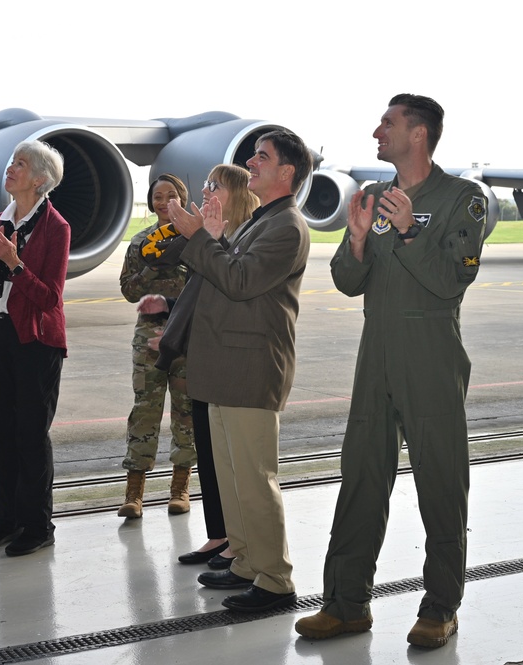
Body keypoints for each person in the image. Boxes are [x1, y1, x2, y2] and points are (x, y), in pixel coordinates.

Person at [294, 94, 486, 648]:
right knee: (361, 478)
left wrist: (408, 233)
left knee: (441, 484)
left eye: (389, 123)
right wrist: (356, 240)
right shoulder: (373, 197)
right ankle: (345, 603)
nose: (377, 130)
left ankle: (440, 607)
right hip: (374, 353)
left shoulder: (462, 199)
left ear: (419, 134)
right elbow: (348, 281)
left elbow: (453, 278)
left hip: (430, 353)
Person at [168, 130, 313, 613]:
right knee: (232, 479)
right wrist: (209, 238)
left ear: (286, 172)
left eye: (262, 157)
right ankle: (248, 561)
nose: (251, 162)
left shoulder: (287, 226)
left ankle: (275, 580)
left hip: (251, 369)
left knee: (254, 480)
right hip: (228, 365)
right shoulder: (261, 222)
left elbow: (239, 280)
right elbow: (224, 270)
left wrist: (199, 240)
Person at [139, 165, 260, 569]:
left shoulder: (245, 235)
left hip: (230, 359)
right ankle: (220, 535)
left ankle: (240, 544)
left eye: (215, 186)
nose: (206, 191)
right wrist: (172, 315)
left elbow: (233, 289)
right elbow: (199, 293)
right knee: (210, 454)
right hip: (205, 354)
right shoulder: (214, 236)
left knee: (231, 459)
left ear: (237, 195)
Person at [0, 140, 70, 557]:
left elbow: (49, 298)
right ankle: (6, 520)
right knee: (2, 435)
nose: (10, 168)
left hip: (36, 342)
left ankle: (37, 525)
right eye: (11, 162)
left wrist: (13, 262)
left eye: (20, 164)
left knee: (30, 435)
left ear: (40, 180)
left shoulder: (56, 227)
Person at [117, 174, 195, 519]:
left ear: (182, 198)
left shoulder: (196, 241)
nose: (164, 201)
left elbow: (206, 290)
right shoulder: (139, 243)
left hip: (187, 336)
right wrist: (150, 269)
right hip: (148, 337)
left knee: (185, 411)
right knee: (145, 410)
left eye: (171, 195)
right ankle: (134, 494)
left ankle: (180, 488)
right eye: (158, 196)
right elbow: (129, 290)